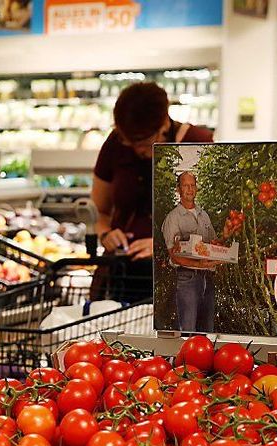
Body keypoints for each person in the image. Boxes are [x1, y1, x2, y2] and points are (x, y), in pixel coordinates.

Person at [91, 82, 214, 260]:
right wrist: (106, 234)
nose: (137, 150)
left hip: (179, 273)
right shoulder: (116, 143)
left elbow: (211, 224)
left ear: (164, 124)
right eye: (129, 142)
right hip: (122, 272)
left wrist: (164, 245)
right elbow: (99, 211)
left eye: (144, 143)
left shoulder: (195, 142)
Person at [161, 171, 222, 332]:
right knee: (188, 330)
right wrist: (200, 264)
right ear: (178, 189)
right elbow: (174, 256)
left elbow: (213, 244)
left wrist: (227, 234)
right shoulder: (173, 218)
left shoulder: (204, 216)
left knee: (207, 330)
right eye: (185, 185)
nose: (190, 189)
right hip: (187, 278)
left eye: (192, 185)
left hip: (207, 278)